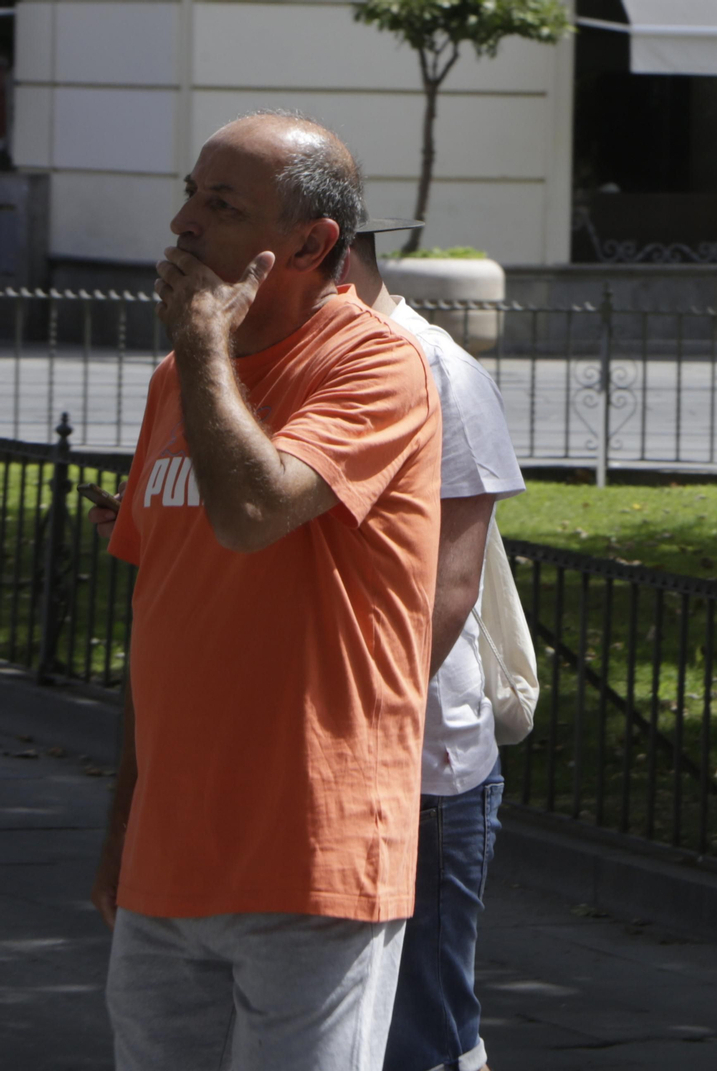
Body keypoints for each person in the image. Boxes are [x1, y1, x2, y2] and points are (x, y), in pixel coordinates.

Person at [87, 112, 443, 1071]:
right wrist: (124, 818)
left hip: (310, 859)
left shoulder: (376, 363)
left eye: (221, 205)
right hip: (169, 861)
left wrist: (205, 344)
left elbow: (251, 513)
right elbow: (158, 616)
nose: (182, 224)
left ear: (311, 243)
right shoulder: (179, 382)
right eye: (191, 193)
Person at [342, 217, 525, 1071]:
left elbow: (446, 589)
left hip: (422, 772)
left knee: (423, 1033)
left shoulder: (439, 369)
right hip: (342, 761)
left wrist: (348, 740)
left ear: (329, 253)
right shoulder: (315, 363)